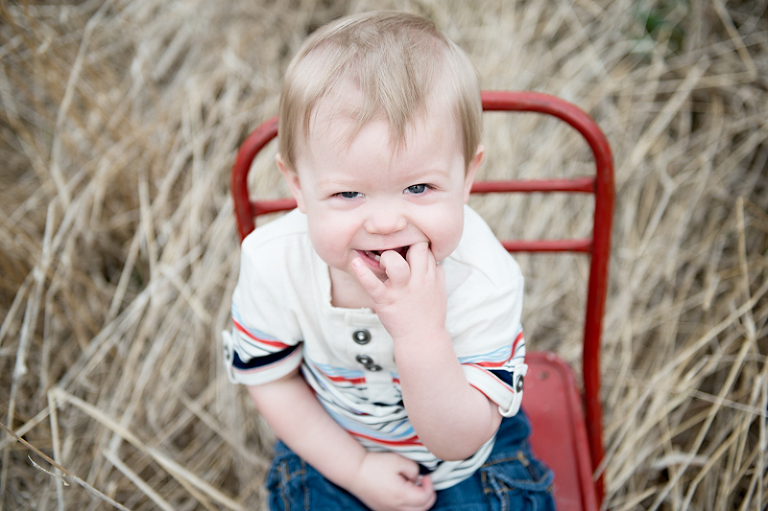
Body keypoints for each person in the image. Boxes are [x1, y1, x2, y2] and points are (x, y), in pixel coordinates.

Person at [222, 11, 555, 511]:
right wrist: (355, 469)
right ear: (298, 186)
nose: (384, 223)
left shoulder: (482, 277)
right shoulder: (275, 262)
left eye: (418, 187)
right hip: (332, 445)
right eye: (348, 193)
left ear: (467, 177)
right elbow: (272, 381)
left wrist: (421, 335)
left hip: (467, 461)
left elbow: (459, 441)